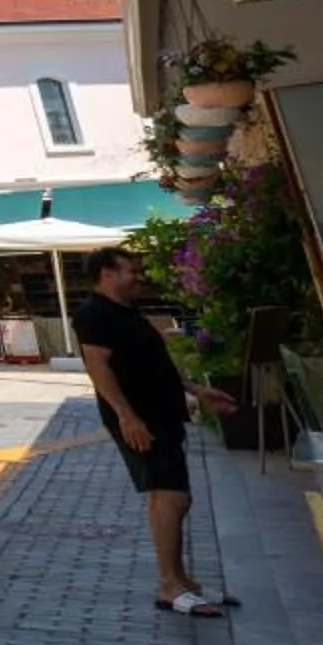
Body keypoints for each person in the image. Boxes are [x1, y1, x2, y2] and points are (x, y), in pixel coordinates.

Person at [74, 247, 238, 616]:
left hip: (162, 414)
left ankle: (182, 580)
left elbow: (155, 361)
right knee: (170, 498)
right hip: (141, 419)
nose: (138, 277)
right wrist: (126, 417)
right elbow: (98, 368)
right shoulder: (94, 315)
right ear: (107, 273)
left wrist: (195, 390)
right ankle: (169, 586)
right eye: (130, 270)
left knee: (175, 498)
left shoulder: (127, 312)